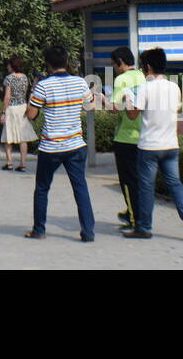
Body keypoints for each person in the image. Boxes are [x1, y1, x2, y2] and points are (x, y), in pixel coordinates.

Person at [123, 48, 183, 241]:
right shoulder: (174, 87)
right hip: (171, 145)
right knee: (175, 184)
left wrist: (128, 99)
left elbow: (132, 115)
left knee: (146, 188)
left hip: (149, 146)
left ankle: (144, 227)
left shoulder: (145, 88)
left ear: (147, 66)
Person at [24, 46, 95, 241]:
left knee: (42, 189)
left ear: (48, 64)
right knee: (80, 187)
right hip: (75, 145)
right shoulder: (80, 83)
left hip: (51, 147)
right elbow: (90, 106)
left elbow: (31, 114)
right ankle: (88, 232)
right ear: (66, 61)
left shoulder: (43, 86)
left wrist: (33, 93)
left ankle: (39, 230)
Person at [108, 46, 145, 231]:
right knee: (138, 179)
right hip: (143, 136)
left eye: (114, 65)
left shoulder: (121, 79)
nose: (114, 68)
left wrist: (101, 99)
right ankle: (137, 212)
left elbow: (114, 107)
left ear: (121, 62)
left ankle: (134, 218)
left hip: (125, 137)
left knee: (128, 181)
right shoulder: (142, 76)